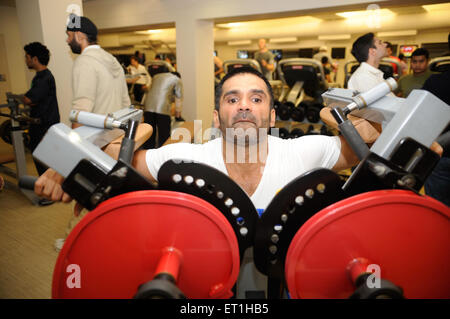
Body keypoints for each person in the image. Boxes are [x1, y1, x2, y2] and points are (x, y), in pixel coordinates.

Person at [35, 66, 396, 297]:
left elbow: (375, 148)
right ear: (216, 116)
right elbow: (116, 158)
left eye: (256, 99)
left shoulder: (305, 151)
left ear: (271, 115)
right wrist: (64, 165)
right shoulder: (190, 157)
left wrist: (370, 123)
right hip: (209, 294)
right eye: (232, 98)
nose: (243, 106)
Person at [66, 14, 130, 128]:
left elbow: (81, 111)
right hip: (116, 132)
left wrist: (74, 141)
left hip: (96, 136)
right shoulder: (112, 59)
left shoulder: (84, 61)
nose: (67, 40)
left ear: (79, 36)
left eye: (69, 36)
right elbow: (126, 103)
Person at [22, 42, 60, 178]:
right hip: (38, 124)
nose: (25, 60)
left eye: (27, 57)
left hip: (44, 125)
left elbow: (28, 99)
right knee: (40, 157)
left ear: (35, 59)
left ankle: (48, 189)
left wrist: (26, 99)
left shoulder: (45, 77)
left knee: (44, 158)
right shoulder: (40, 77)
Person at [421, 35, 450, 207]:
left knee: (437, 209)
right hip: (439, 155)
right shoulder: (435, 81)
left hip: (439, 152)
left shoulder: (435, 81)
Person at [142, 71, 183, 148]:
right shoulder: (177, 79)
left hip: (148, 106)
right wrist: (178, 115)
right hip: (162, 108)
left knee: (149, 133)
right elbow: (179, 98)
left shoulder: (156, 76)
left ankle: (147, 155)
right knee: (164, 135)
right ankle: (164, 155)